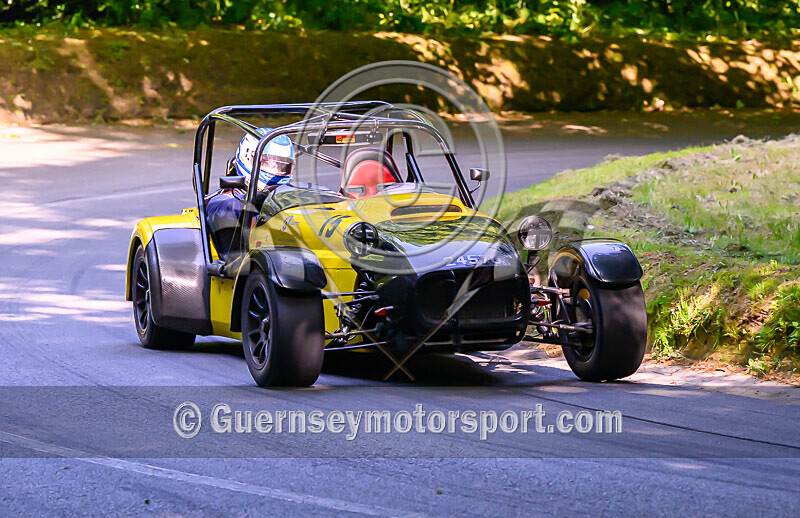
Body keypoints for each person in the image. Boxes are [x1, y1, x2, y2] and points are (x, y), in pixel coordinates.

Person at [206, 128, 295, 260]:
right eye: (268, 163)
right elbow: (228, 211)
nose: (276, 171)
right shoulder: (221, 202)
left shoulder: (284, 198)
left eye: (282, 167)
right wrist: (261, 198)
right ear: (248, 157)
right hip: (243, 270)